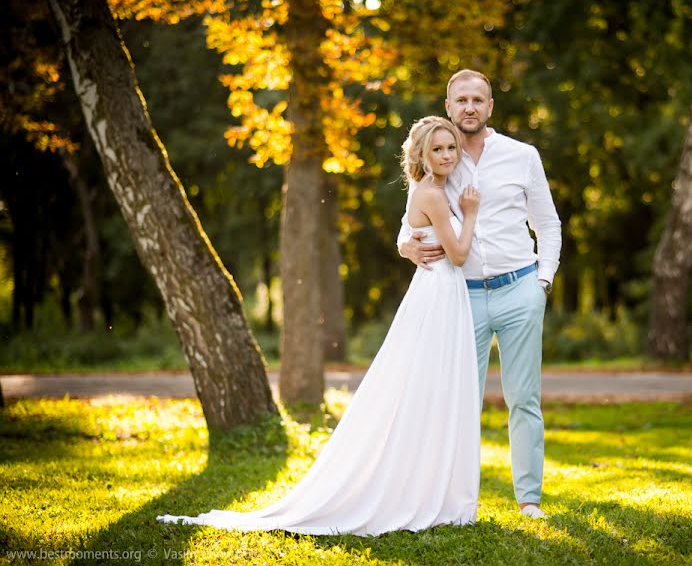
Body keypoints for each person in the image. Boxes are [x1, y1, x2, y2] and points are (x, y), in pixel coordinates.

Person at [158, 116, 483, 536]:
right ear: (421, 154)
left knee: (434, 387)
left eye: (451, 148)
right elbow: (457, 254)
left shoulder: (433, 191)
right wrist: (471, 215)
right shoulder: (435, 196)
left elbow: (408, 231)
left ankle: (432, 487)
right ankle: (424, 492)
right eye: (437, 149)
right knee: (429, 384)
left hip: (438, 292)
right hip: (439, 293)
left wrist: (406, 245)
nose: (446, 155)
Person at [398, 70, 562, 520]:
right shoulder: (435, 156)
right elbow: (409, 224)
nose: (469, 107)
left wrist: (542, 283)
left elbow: (547, 225)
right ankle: (454, 502)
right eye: (461, 100)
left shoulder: (522, 156)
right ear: (449, 107)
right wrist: (405, 246)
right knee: (457, 400)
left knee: (524, 399)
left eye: (478, 99)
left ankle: (529, 501)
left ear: (490, 106)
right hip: (458, 300)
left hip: (519, 290)